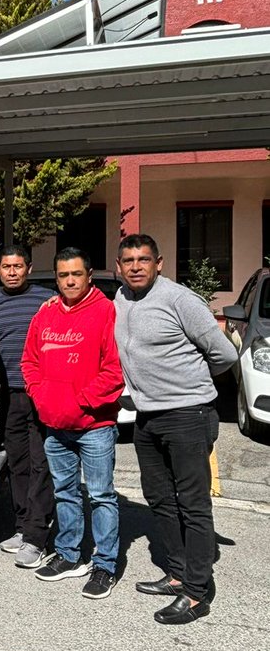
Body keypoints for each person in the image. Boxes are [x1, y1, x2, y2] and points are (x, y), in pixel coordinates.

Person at [114, 233, 237, 626]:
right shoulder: (119, 299)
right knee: (160, 499)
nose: (136, 266)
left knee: (193, 504)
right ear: (119, 267)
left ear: (159, 263)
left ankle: (197, 593)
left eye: (144, 259)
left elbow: (225, 354)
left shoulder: (180, 299)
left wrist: (190, 385)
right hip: (147, 417)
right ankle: (178, 573)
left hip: (188, 415)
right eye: (129, 260)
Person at [21, 248, 124, 599]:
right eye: (63, 275)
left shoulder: (105, 311)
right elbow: (29, 361)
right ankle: (68, 555)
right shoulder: (46, 314)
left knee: (100, 496)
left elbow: (115, 369)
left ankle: (105, 566)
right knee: (65, 493)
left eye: (76, 274)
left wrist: (80, 400)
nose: (69, 281)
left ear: (89, 274)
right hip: (55, 426)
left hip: (94, 427)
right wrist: (42, 395)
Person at [0, 245, 54, 569]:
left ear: (28, 267)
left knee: (41, 464)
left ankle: (36, 536)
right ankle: (22, 526)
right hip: (10, 395)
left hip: (44, 394)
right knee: (17, 464)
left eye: (17, 266)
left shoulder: (47, 301)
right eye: (6, 267)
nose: (12, 272)